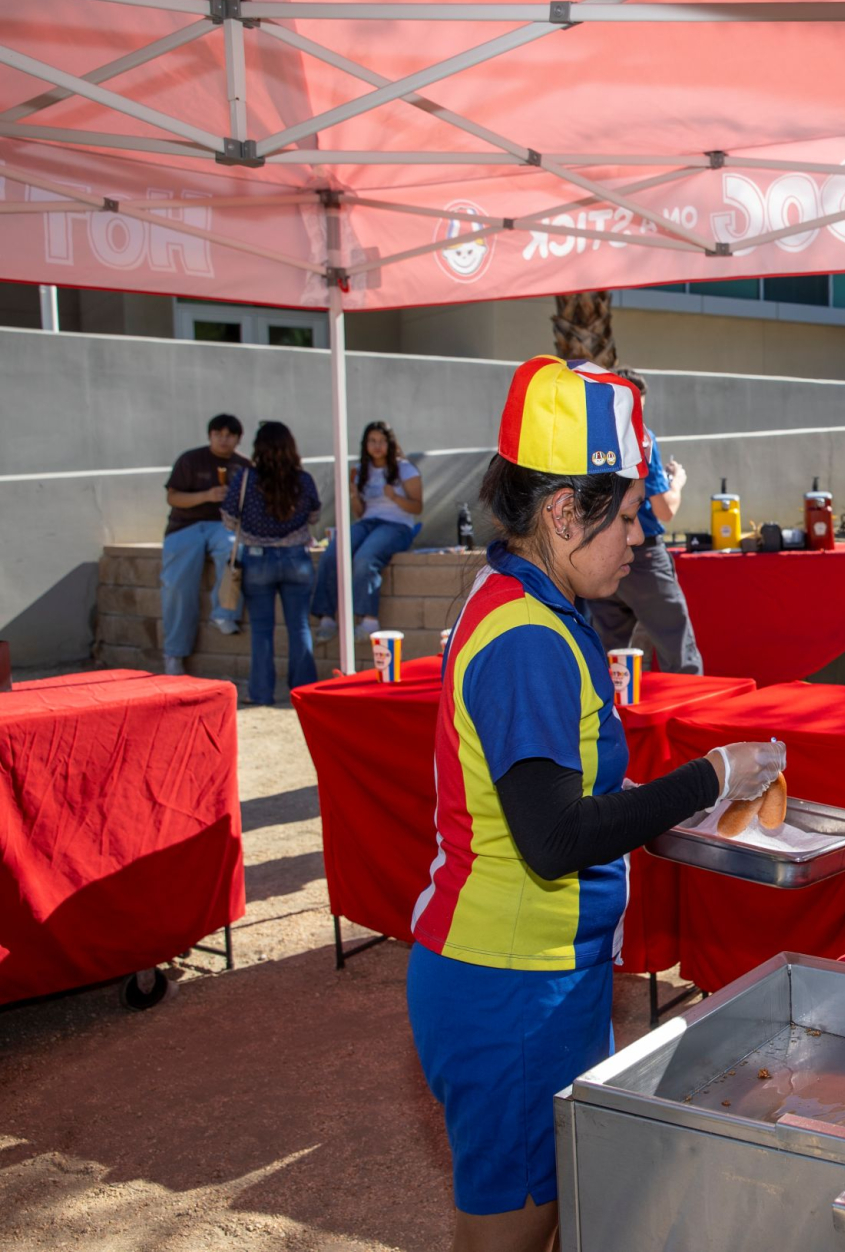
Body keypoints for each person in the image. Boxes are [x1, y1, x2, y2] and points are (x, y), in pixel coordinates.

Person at [407, 356, 783, 1252]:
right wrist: (711, 779)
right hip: (510, 991)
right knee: (513, 1231)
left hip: (541, 976)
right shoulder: (530, 637)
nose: (643, 535)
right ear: (562, 511)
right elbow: (552, 837)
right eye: (625, 516)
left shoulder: (533, 600)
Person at [586, 372, 703, 674]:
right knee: (677, 647)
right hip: (643, 555)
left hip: (597, 551)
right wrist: (677, 482)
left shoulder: (590, 436)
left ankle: (606, 714)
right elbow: (664, 510)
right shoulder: (640, 436)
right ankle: (687, 715)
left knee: (605, 651)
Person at [221, 421, 321, 705]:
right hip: (296, 559)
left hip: (257, 559)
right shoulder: (303, 480)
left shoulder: (244, 479)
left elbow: (229, 520)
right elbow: (314, 516)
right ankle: (304, 693)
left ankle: (261, 693)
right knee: (299, 627)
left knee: (262, 631)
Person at [313, 420, 423, 642]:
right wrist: (354, 494)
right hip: (368, 522)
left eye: (382, 441)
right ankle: (327, 618)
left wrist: (394, 497)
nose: (377, 446)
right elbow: (360, 513)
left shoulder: (405, 468)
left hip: (397, 525)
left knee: (365, 558)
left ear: (390, 444)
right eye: (372, 441)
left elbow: (417, 507)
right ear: (365, 444)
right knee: (333, 553)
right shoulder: (360, 470)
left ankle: (369, 620)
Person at [160, 414, 249, 674]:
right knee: (177, 585)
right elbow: (173, 498)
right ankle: (174, 654)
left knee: (234, 550)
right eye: (218, 434)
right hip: (185, 526)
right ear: (210, 436)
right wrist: (206, 496)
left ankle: (225, 613)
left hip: (225, 526)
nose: (223, 439)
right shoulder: (190, 460)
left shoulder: (244, 466)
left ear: (238, 439)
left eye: (229, 435)